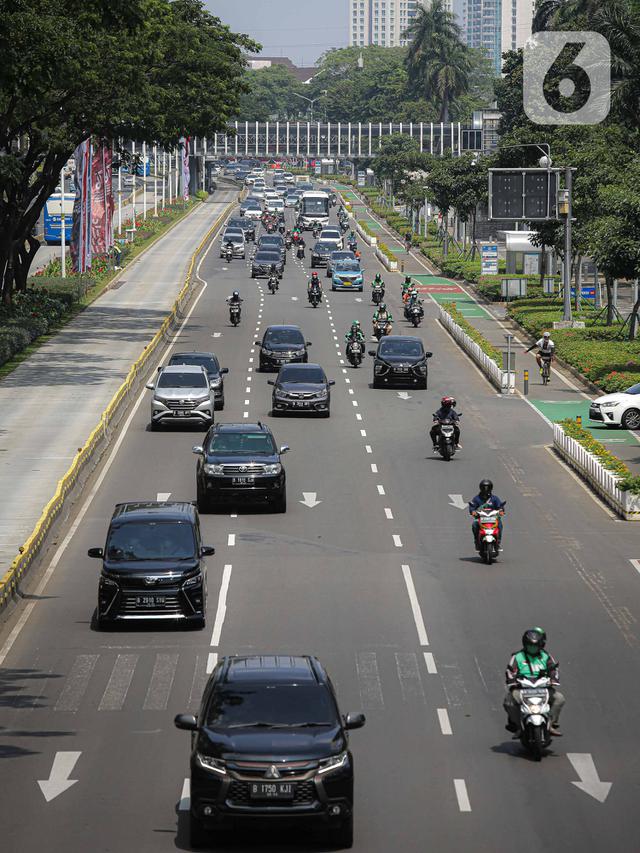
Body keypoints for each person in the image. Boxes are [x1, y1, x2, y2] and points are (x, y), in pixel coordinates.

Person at [504, 628, 565, 736]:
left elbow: (553, 670)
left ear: (540, 645)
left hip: (543, 688)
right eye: (530, 646)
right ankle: (518, 726)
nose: (532, 648)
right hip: (522, 688)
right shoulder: (517, 656)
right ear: (525, 644)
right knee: (508, 702)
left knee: (559, 699)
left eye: (535, 646)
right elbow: (510, 671)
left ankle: (551, 723)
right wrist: (513, 682)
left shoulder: (546, 656)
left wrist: (553, 680)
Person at [468, 479, 505, 550]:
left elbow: (500, 506)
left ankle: (498, 542)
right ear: (481, 488)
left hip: (494, 518)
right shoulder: (477, 498)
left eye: (487, 487)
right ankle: (477, 541)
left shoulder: (495, 498)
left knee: (500, 524)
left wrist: (501, 511)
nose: (486, 489)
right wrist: (473, 511)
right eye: (484, 487)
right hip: (481, 518)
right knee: (474, 524)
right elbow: (472, 506)